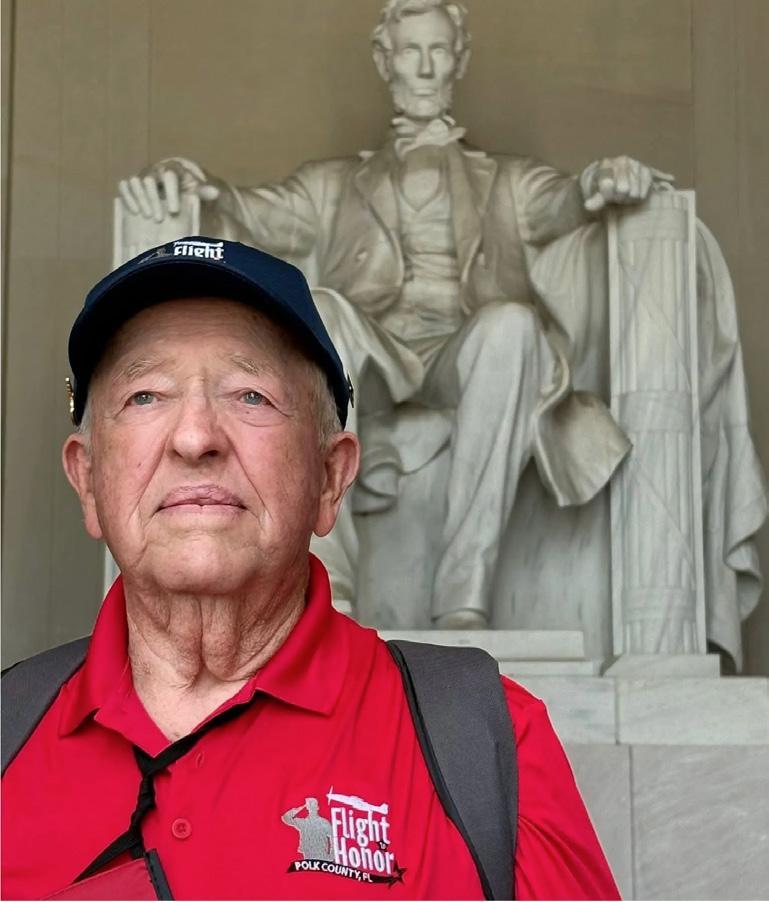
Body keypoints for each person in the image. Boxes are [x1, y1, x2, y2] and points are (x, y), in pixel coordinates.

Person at [1, 237, 619, 900]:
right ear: (88, 481)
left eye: (251, 395)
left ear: (330, 476)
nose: (195, 437)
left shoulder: (486, 737)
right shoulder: (10, 733)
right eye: (146, 395)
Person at [116, 0, 670, 628]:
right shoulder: (332, 186)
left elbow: (566, 201)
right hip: (372, 355)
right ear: (386, 61)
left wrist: (601, 181)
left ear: (458, 60)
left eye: (438, 50)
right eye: (411, 51)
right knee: (321, 309)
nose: (425, 67)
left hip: (464, 355)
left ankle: (465, 595)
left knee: (514, 325)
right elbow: (243, 210)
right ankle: (330, 580)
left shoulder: (507, 183)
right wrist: (186, 179)